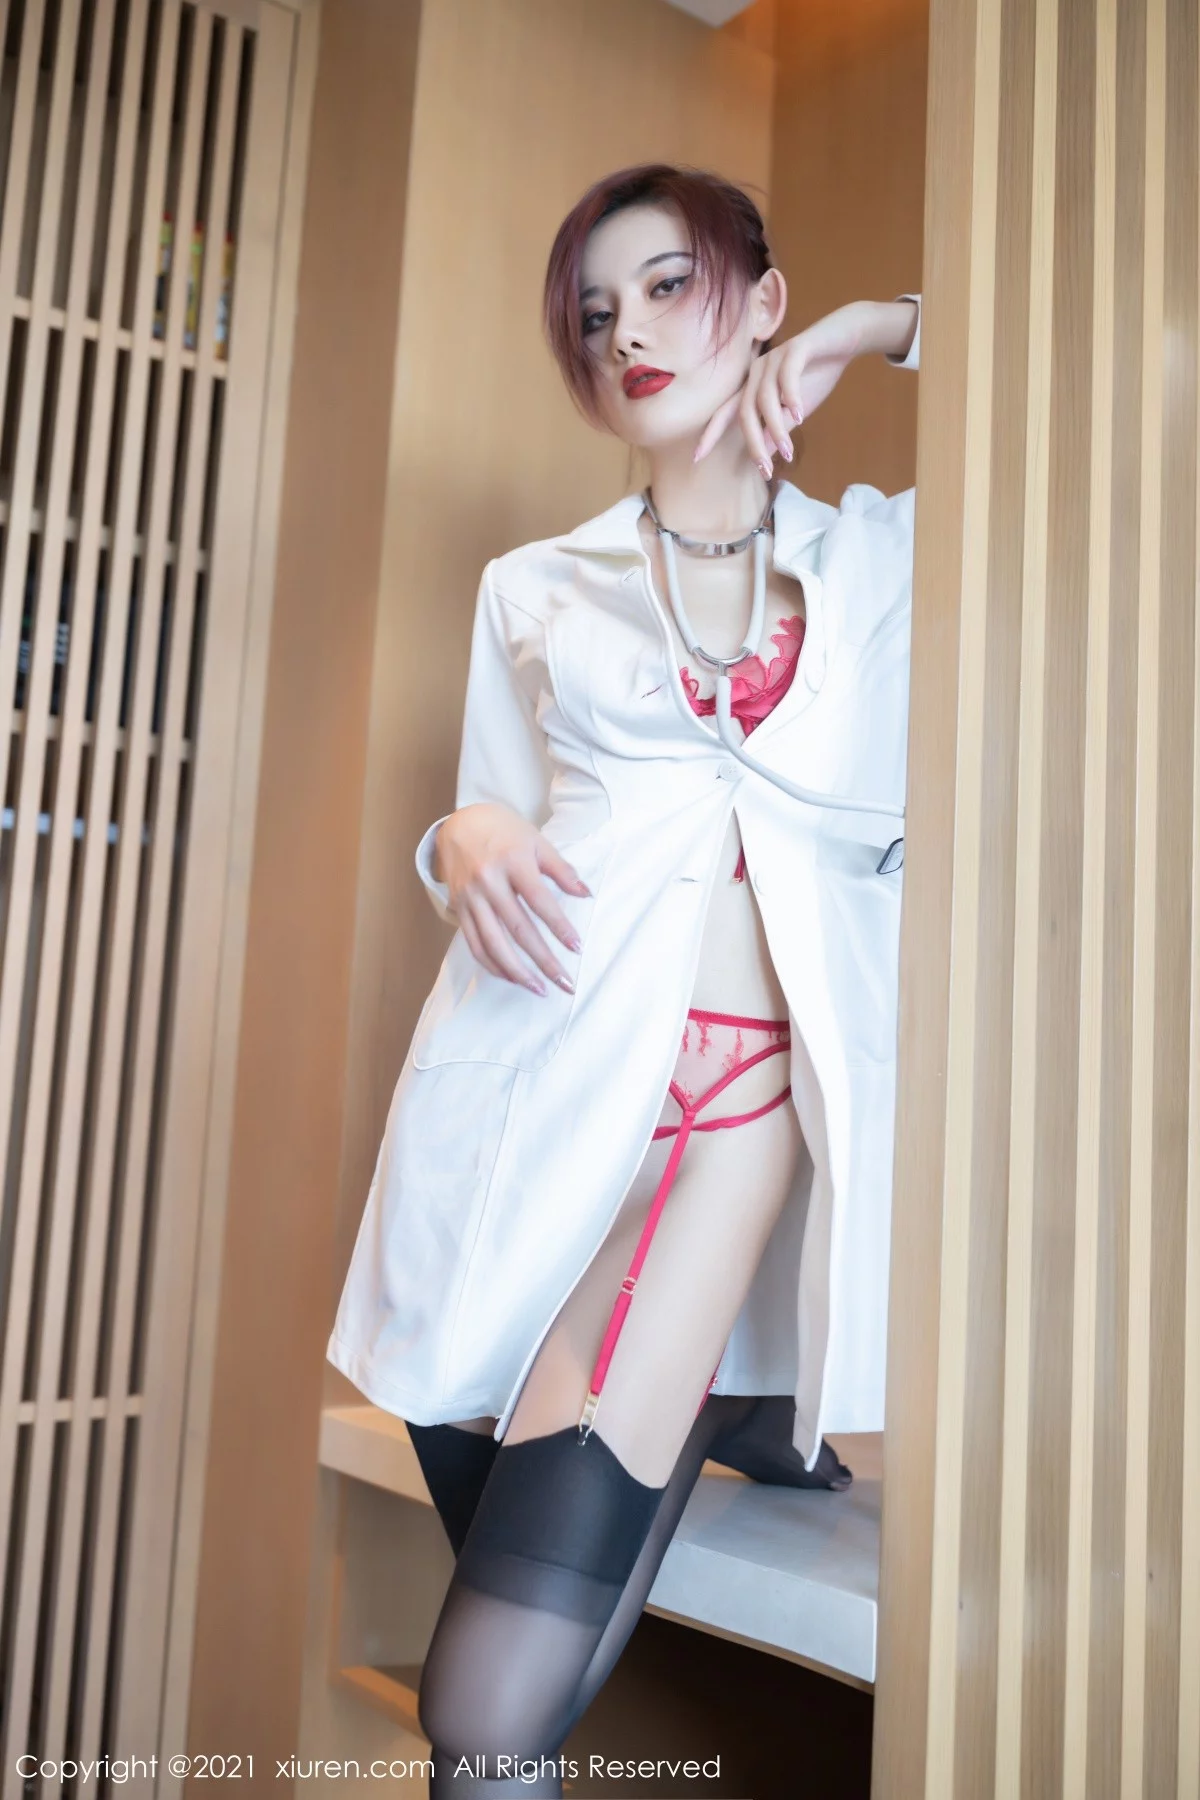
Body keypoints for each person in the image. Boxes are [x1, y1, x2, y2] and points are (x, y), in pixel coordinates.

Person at [326, 163, 918, 1795]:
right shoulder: (539, 584)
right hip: (534, 1121)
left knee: (485, 1706)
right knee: (514, 1590)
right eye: (597, 314)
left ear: (763, 302)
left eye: (670, 286)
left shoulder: (887, 568)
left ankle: (739, 1396)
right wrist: (459, 836)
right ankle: (744, 1410)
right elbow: (486, 820)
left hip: (734, 1113)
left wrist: (874, 328)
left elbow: (1105, 399)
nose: (627, 334)